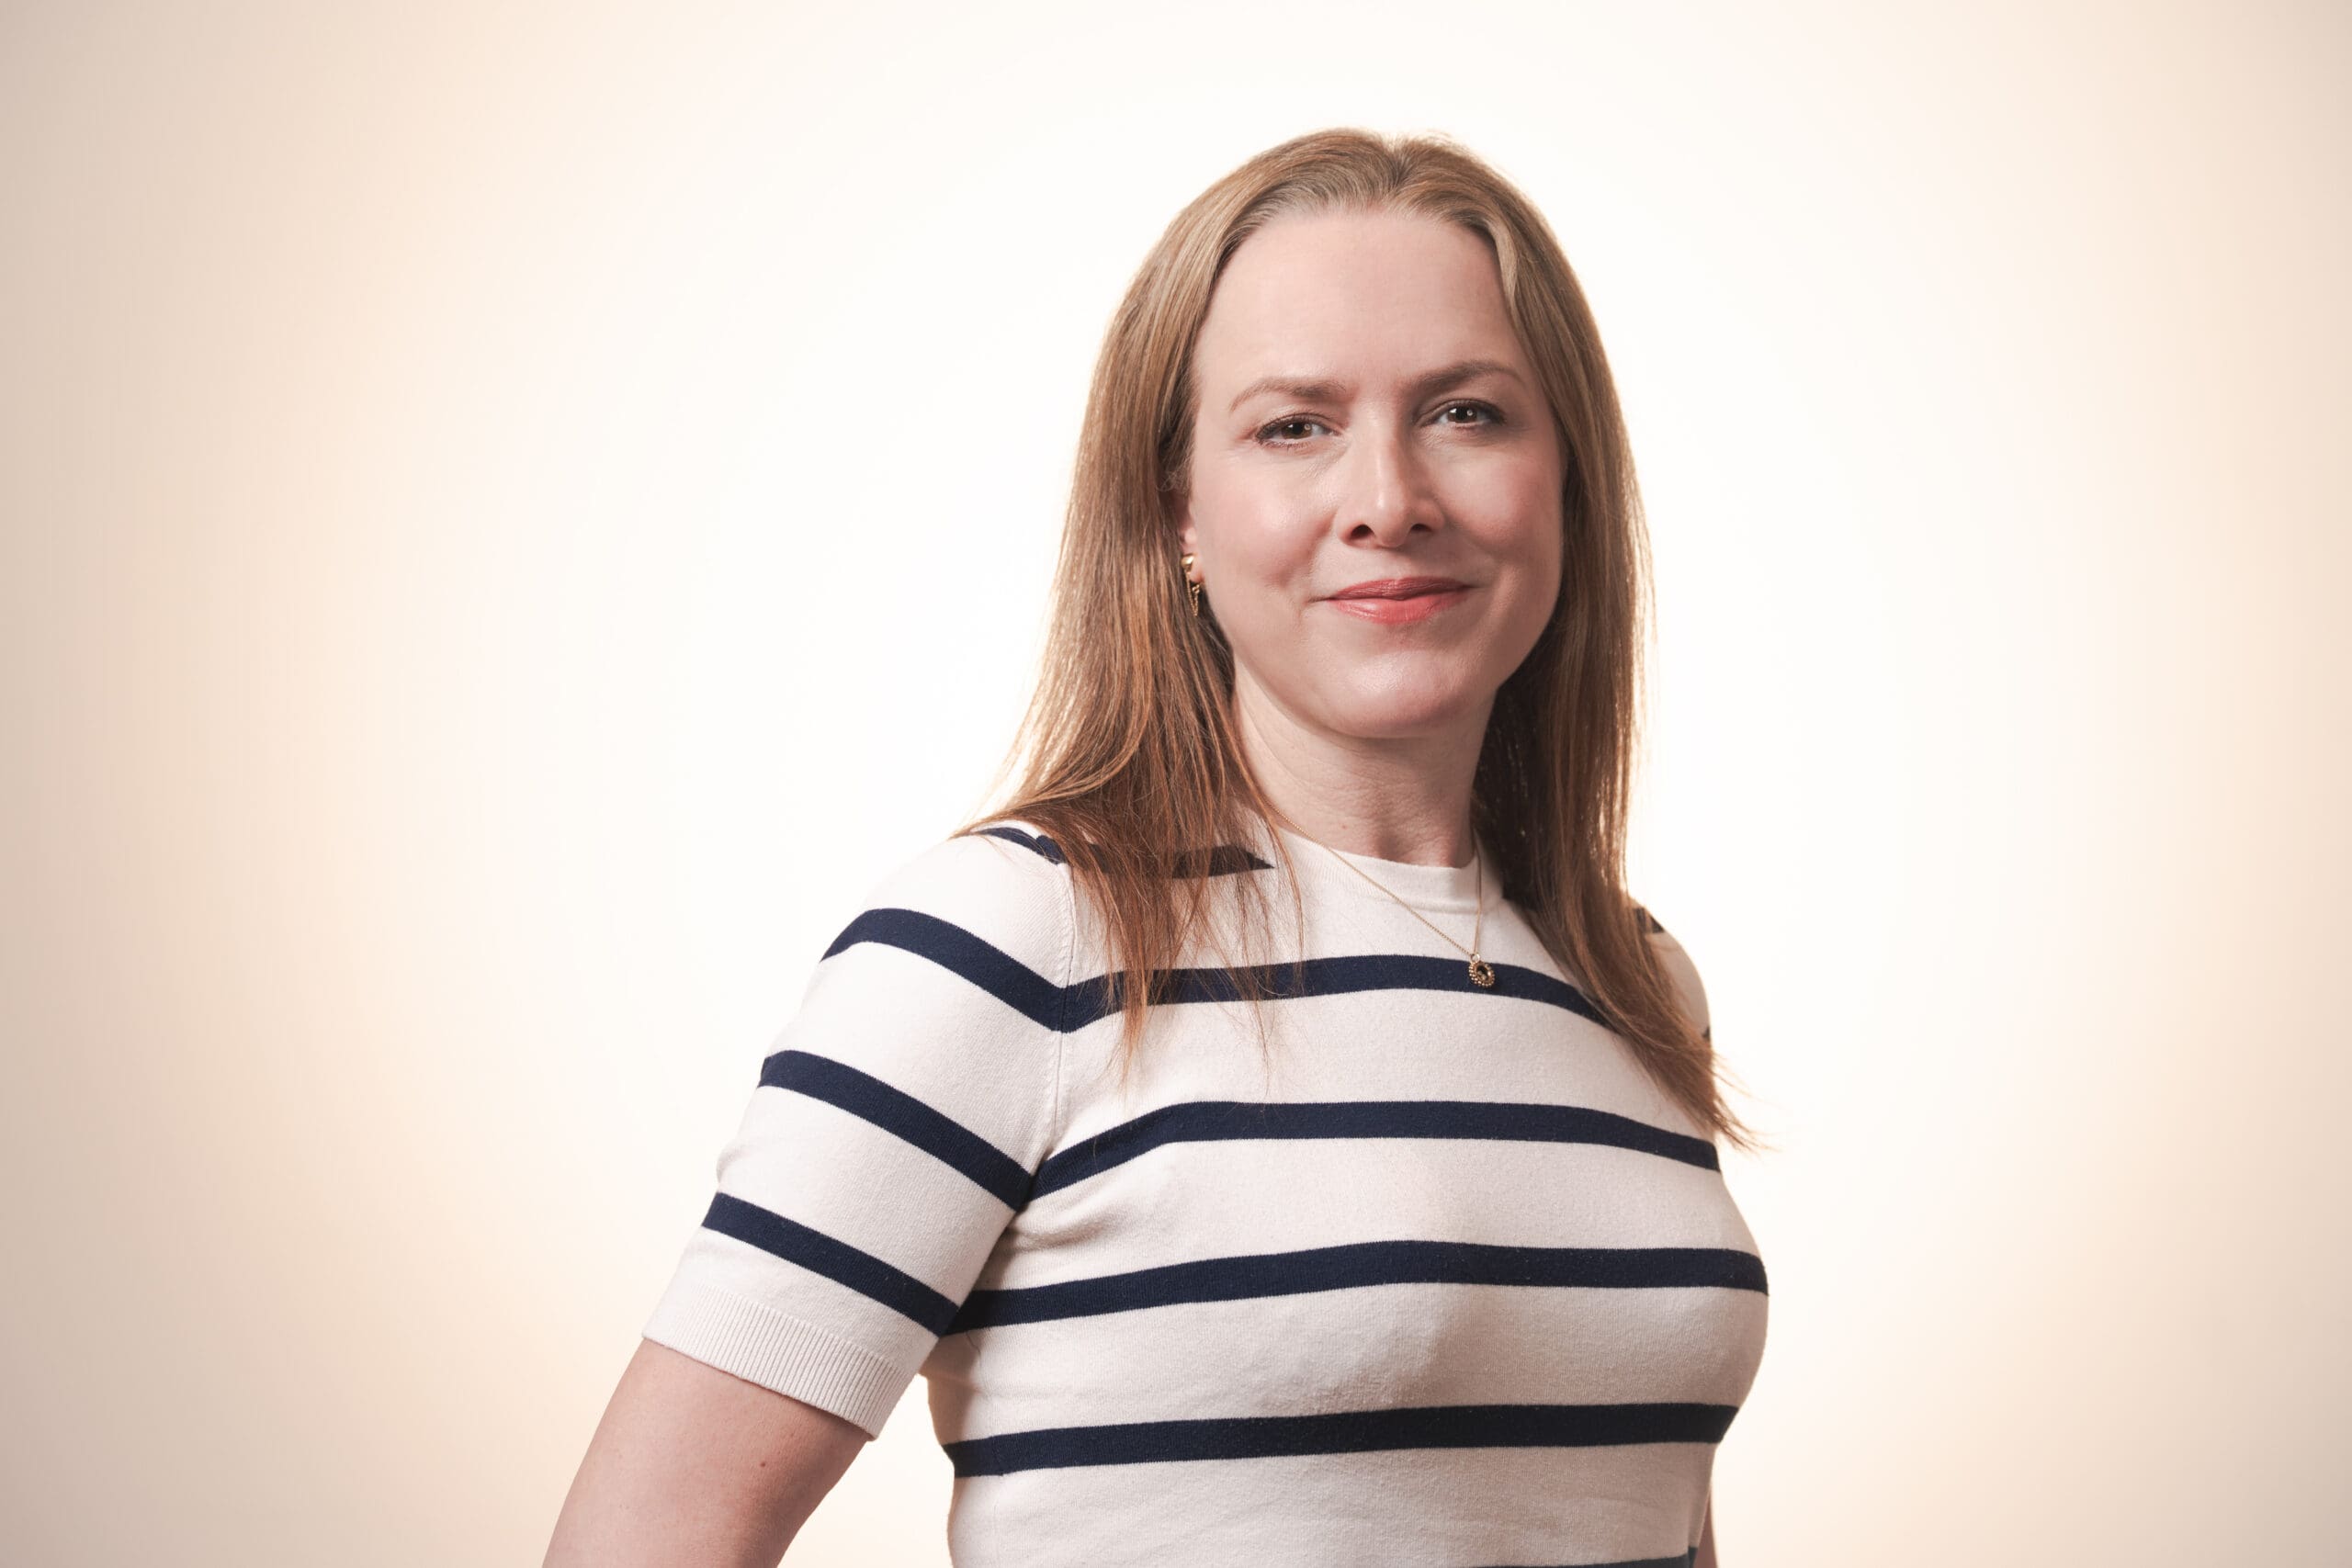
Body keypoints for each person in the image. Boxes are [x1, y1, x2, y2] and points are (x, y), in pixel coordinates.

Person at [546, 126, 1770, 1568]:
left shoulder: (1631, 980)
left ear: (1566, 480)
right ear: (1179, 512)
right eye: (1294, 425)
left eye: (1467, 412)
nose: (1390, 497)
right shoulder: (1011, 947)